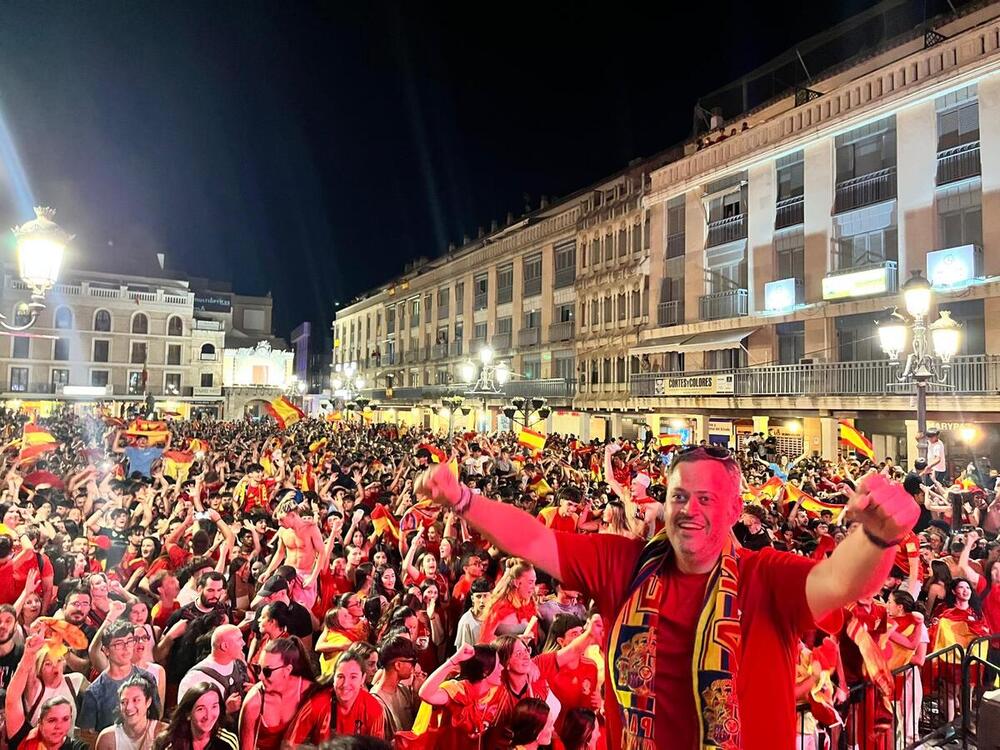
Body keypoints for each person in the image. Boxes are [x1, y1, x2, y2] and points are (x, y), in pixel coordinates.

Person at [415, 445, 919, 749]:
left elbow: (840, 581)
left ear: (735, 509)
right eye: (680, 496)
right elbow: (530, 540)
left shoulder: (764, 577)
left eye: (707, 499)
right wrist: (463, 500)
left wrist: (877, 538)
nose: (689, 510)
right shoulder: (626, 565)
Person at [78, 621, 161, 742]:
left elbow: (156, 718)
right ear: (106, 650)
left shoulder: (147, 678)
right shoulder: (95, 691)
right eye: (118, 644)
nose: (126, 647)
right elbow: (86, 735)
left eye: (129, 641)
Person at [283, 650, 387, 745]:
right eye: (340, 677)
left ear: (362, 679)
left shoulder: (374, 708)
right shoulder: (318, 703)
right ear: (334, 679)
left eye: (353, 677)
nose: (345, 684)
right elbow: (289, 744)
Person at [416, 643, 504, 750]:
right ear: (485, 671)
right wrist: (453, 661)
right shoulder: (457, 691)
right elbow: (425, 694)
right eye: (498, 664)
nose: (502, 668)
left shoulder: (497, 694)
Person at [238, 637, 314, 750]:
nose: (260, 677)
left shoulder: (309, 692)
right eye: (258, 669)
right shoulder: (254, 700)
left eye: (267, 671)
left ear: (287, 670)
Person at [176, 624, 248, 711]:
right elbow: (184, 717)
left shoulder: (239, 665)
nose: (243, 643)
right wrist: (226, 711)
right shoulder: (195, 678)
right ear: (224, 646)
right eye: (239, 639)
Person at [153, 682, 239, 750]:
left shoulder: (227, 743)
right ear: (188, 713)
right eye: (201, 709)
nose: (208, 716)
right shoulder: (168, 743)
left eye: (214, 706)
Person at [95, 676, 165, 750]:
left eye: (135, 700)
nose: (129, 707)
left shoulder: (162, 733)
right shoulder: (107, 738)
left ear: (148, 702)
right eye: (124, 702)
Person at [371, 635, 420, 736]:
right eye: (412, 662)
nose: (413, 668)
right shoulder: (376, 702)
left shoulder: (403, 690)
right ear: (398, 665)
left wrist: (416, 694)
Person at [11, 696, 87, 750]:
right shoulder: (29, 744)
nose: (59, 726)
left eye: (65, 719)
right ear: (40, 723)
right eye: (52, 720)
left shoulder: (79, 748)